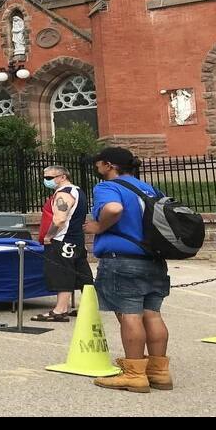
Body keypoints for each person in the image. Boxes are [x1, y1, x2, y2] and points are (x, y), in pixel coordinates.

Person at [84, 147, 173, 394]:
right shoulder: (149, 189)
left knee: (129, 315)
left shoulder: (108, 187)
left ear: (109, 165)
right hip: (153, 259)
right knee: (152, 314)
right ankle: (159, 371)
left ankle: (134, 374)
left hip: (122, 259)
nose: (96, 168)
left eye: (98, 163)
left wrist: (99, 227)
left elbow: (114, 209)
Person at [33, 166, 93, 323]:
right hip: (76, 239)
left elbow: (59, 219)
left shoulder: (63, 194)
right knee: (83, 273)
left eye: (49, 178)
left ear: (62, 177)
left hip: (62, 239)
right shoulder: (78, 191)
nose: (46, 181)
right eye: (45, 177)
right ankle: (90, 307)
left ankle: (60, 310)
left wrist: (49, 236)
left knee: (61, 273)